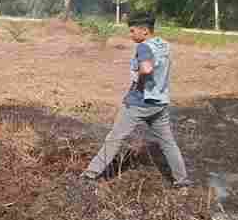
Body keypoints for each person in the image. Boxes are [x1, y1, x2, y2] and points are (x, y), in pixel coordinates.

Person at [82, 12, 193, 188]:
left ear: (144, 31)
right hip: (160, 103)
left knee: (115, 138)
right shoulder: (164, 44)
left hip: (139, 103)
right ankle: (182, 181)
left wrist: (139, 85)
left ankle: (89, 176)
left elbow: (147, 68)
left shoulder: (144, 47)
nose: (131, 35)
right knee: (167, 142)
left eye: (133, 31)